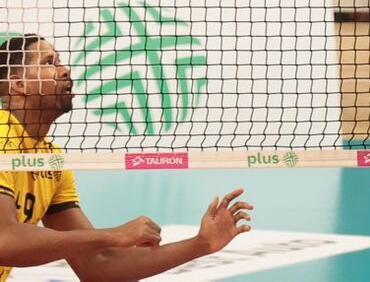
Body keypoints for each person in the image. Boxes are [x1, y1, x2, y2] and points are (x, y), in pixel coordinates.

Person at [0, 34, 251, 279]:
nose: (65, 70)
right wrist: (112, 235)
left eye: (59, 61)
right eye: (49, 63)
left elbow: (98, 265)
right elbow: (4, 241)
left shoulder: (51, 158)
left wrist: (201, 244)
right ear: (18, 84)